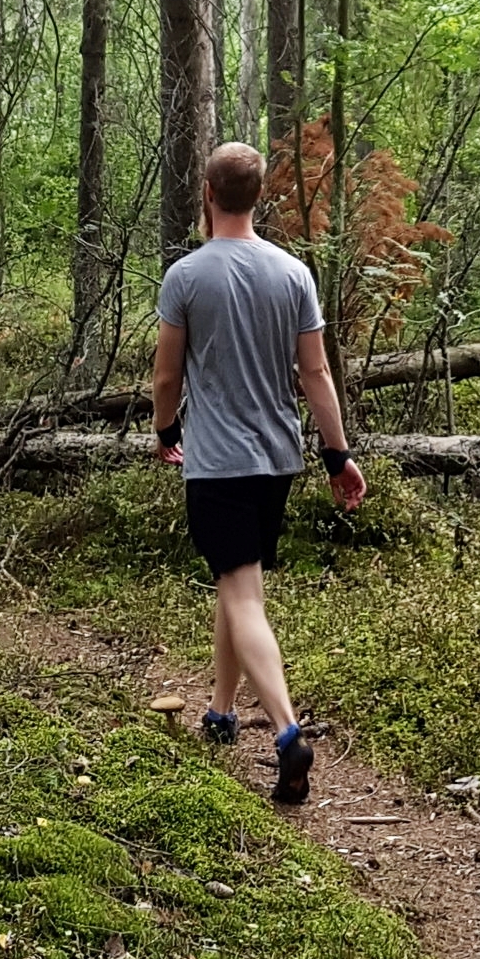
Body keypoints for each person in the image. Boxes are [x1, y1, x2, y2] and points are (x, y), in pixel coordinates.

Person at [153, 138, 366, 805]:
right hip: (277, 460)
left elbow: (165, 373)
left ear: (208, 194)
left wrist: (166, 431)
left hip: (216, 463)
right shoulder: (294, 273)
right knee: (237, 579)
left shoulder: (186, 276)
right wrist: (338, 453)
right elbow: (316, 372)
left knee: (242, 593)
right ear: (259, 198)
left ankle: (285, 730)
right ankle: (219, 713)